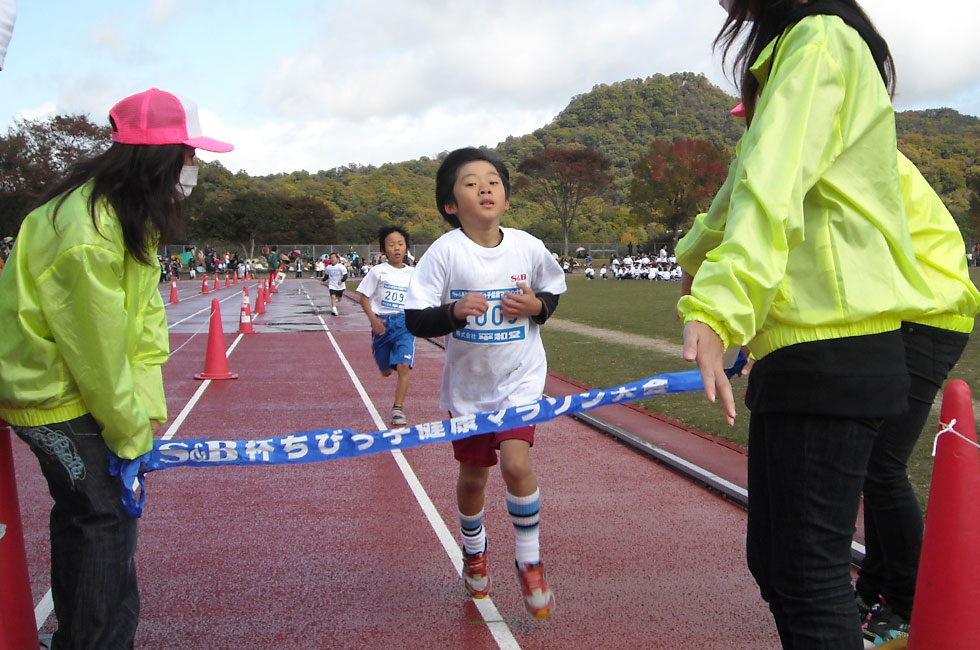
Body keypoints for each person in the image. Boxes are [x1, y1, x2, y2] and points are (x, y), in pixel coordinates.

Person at [676, 2, 935, 647]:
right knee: (778, 565)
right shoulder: (792, 50)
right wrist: (693, 262)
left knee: (808, 577)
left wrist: (717, 304)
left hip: (834, 342)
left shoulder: (818, 38)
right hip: (798, 343)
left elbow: (774, 186)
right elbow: (740, 191)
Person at [0, 87, 232, 648]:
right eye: (190, 154)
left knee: (91, 519)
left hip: (77, 387)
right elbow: (97, 353)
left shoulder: (124, 216)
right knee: (104, 519)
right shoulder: (88, 232)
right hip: (55, 393)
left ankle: (87, 635)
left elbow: (145, 327)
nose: (195, 167)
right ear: (159, 155)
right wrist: (129, 436)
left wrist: (146, 412)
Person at [404, 147, 566, 618]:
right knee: (474, 477)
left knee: (517, 465)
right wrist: (453, 312)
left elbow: (553, 292)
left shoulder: (527, 246)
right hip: (469, 392)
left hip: (520, 380)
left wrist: (536, 307)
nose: (485, 189)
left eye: (492, 181)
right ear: (451, 204)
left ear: (507, 197)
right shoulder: (445, 252)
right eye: (470, 183)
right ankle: (473, 549)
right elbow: (415, 319)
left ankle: (529, 559)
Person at [854, 152, 978, 645]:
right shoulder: (859, 147)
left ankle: (908, 603)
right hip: (913, 312)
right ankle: (877, 585)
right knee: (871, 461)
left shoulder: (861, 153)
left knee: (881, 465)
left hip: (930, 315)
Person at [357, 226, 417, 426]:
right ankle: (384, 355)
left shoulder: (413, 273)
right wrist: (373, 320)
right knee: (385, 371)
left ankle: (397, 409)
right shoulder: (377, 272)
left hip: (404, 324)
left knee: (403, 367)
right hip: (382, 323)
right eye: (391, 245)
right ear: (384, 249)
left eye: (400, 244)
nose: (396, 248)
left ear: (406, 247)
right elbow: (364, 297)